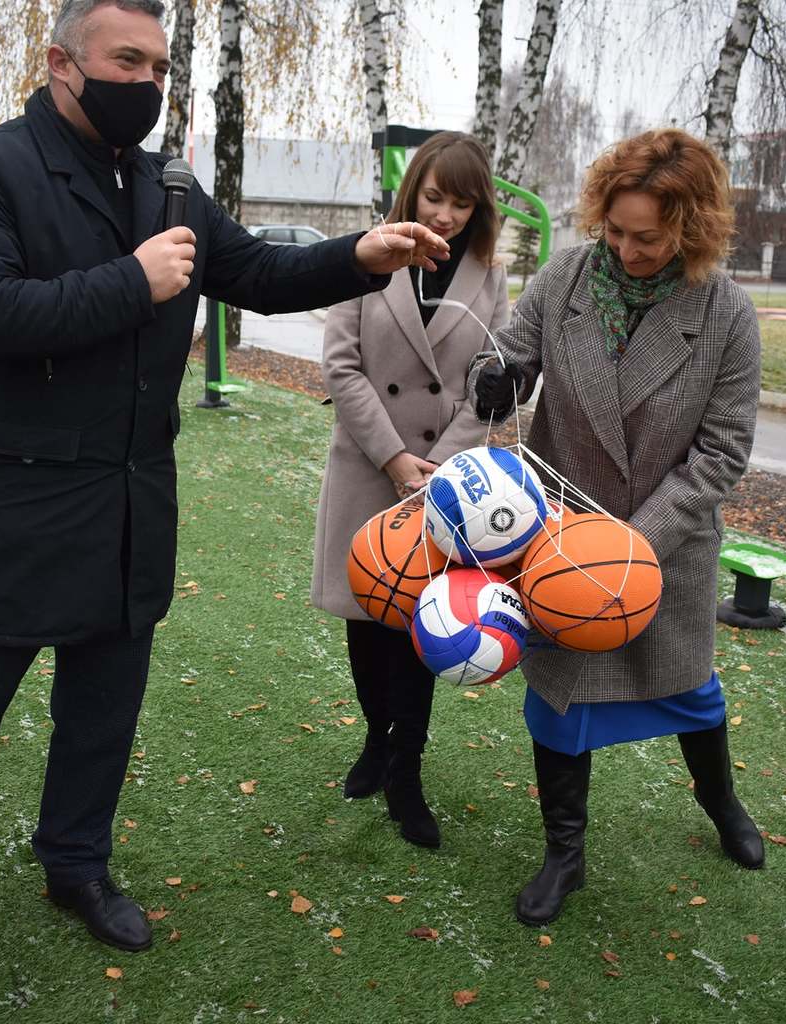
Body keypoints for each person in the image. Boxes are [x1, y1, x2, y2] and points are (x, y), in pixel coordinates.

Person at [0, 0, 448, 962]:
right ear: (61, 64)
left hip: (128, 506)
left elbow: (258, 272)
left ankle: (76, 863)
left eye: (158, 68)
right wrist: (131, 281)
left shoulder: (167, 185)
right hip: (9, 508)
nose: (146, 83)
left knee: (102, 711)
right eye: (126, 62)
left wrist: (359, 255)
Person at [471, 128, 764, 926]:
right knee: (560, 702)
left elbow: (723, 451)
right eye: (616, 230)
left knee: (690, 693)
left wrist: (633, 545)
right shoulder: (566, 276)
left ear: (692, 230)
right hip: (561, 543)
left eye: (650, 237)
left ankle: (721, 802)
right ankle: (564, 854)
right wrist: (495, 379)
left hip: (665, 547)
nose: (627, 251)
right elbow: (511, 355)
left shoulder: (727, 313)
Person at [310, 132, 509, 849]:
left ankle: (407, 771)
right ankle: (376, 737)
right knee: (367, 619)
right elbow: (341, 366)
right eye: (434, 197)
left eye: (462, 203)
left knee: (424, 626)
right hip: (369, 466)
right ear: (411, 191)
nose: (445, 215)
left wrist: (438, 465)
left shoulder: (489, 275)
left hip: (444, 483)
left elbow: (492, 385)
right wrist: (395, 459)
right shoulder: (368, 255)